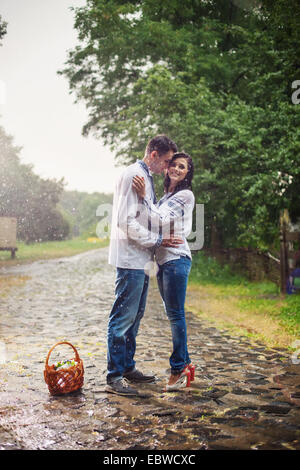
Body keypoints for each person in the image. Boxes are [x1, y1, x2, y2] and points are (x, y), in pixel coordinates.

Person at [106, 135, 181, 396]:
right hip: (130, 259)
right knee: (123, 318)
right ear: (153, 154)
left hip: (142, 259)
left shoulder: (146, 178)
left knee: (135, 317)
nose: (168, 167)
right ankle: (114, 376)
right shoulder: (133, 175)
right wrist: (158, 240)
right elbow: (124, 222)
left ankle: (127, 367)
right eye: (167, 160)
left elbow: (147, 214)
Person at [132, 152, 195, 391]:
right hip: (163, 260)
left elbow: (158, 220)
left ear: (188, 173)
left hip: (176, 259)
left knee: (176, 314)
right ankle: (186, 365)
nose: (176, 169)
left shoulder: (185, 195)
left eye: (182, 167)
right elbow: (151, 220)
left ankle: (178, 369)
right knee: (173, 314)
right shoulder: (167, 195)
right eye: (174, 165)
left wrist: (143, 196)